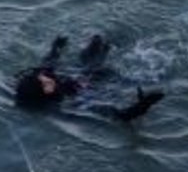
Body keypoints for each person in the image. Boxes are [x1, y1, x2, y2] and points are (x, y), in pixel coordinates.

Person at [14, 34, 165, 122]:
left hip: (82, 71)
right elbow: (118, 115)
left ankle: (113, 41)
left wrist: (56, 47)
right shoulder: (69, 103)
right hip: (97, 84)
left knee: (95, 43)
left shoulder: (37, 78)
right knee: (102, 69)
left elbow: (49, 61)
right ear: (45, 92)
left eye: (41, 77)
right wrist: (143, 105)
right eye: (44, 82)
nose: (44, 77)